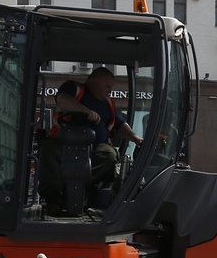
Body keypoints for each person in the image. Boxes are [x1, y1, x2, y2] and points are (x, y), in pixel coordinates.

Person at [38, 67, 141, 212]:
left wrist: (136, 138)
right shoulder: (74, 88)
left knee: (109, 155)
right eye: (107, 86)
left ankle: (80, 187)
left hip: (94, 149)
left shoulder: (108, 103)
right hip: (64, 144)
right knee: (48, 149)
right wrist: (84, 111)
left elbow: (119, 124)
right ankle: (52, 198)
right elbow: (62, 100)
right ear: (95, 81)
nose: (109, 90)